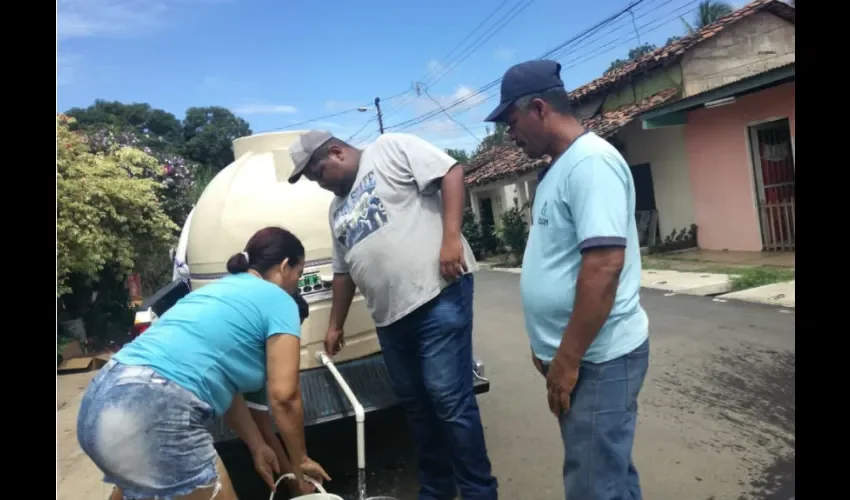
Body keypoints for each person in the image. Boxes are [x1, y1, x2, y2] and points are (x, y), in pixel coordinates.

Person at [287, 130, 498, 499]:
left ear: (336, 152)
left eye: (318, 174)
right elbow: (343, 271)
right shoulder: (336, 210)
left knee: (448, 399)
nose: (319, 184)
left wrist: (451, 237)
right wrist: (334, 324)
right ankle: (436, 490)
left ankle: (479, 491)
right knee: (416, 408)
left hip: (438, 295)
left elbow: (451, 171)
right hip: (389, 320)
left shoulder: (390, 149)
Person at [484, 59, 650, 499]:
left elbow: (603, 266)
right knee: (606, 474)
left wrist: (568, 359)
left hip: (598, 357)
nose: (509, 134)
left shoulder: (590, 164)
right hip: (578, 357)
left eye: (511, 121)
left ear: (538, 108)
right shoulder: (560, 166)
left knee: (594, 485)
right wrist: (549, 346)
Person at [76, 226, 330, 500]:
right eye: (299, 273)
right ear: (283, 267)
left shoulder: (215, 292)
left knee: (137, 490)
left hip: (99, 403)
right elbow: (285, 397)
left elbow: (222, 386)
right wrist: (300, 459)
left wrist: (257, 446)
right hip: (157, 408)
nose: (296, 283)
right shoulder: (279, 300)